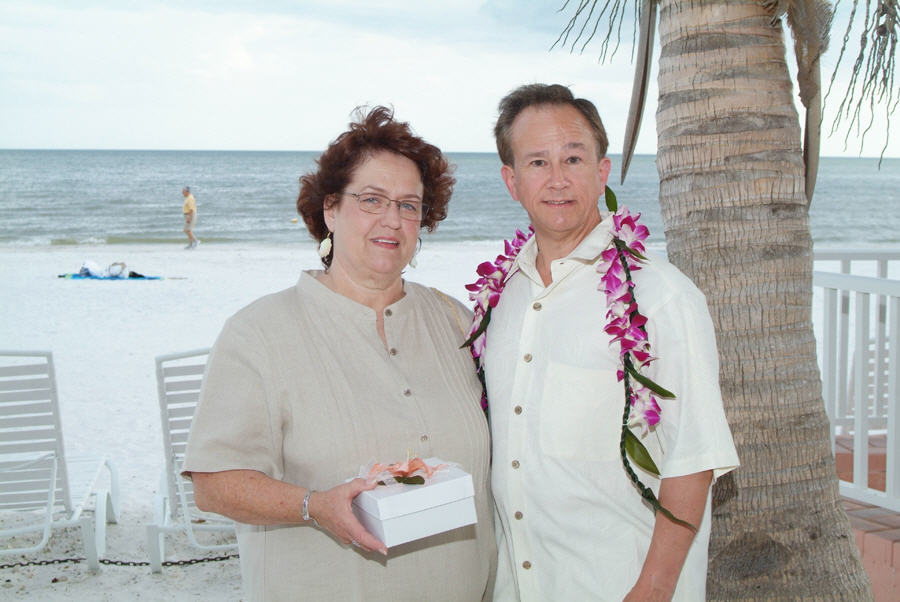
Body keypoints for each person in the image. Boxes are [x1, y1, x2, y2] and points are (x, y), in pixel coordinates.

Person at [182, 106, 496, 601]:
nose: (392, 219)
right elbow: (214, 484)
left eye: (410, 205)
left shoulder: (456, 320)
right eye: (371, 199)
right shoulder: (258, 333)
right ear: (330, 209)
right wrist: (313, 505)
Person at [479, 83, 739, 600]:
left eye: (573, 158)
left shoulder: (661, 297)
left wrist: (652, 589)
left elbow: (695, 455)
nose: (557, 179)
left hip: (618, 584)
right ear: (511, 180)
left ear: (601, 172)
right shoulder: (500, 299)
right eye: (537, 163)